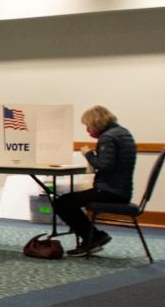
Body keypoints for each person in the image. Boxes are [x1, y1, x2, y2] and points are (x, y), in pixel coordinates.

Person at [53, 105, 136, 257]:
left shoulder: (108, 137)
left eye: (88, 126)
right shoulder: (123, 132)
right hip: (122, 190)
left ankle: (93, 238)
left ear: (97, 123)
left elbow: (104, 166)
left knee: (62, 202)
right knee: (68, 201)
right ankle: (94, 236)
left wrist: (88, 154)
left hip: (110, 191)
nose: (87, 131)